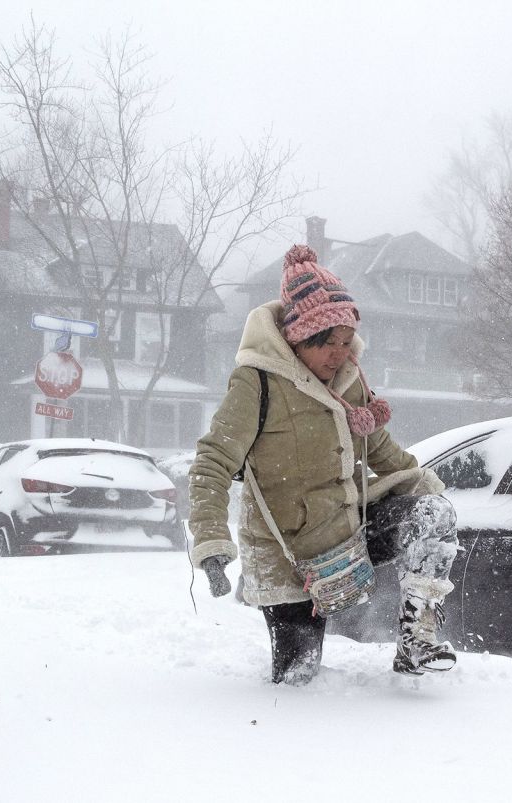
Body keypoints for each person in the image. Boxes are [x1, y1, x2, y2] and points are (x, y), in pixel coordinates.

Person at [188, 244, 460, 685]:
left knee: (432, 512)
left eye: (345, 342)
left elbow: (384, 453)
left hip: (349, 533)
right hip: (288, 554)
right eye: (326, 344)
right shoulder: (257, 381)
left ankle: (419, 639)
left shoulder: (350, 383)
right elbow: (212, 462)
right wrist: (212, 543)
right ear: (298, 338)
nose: (338, 354)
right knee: (299, 680)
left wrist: (434, 490)